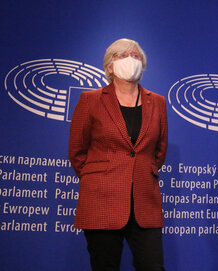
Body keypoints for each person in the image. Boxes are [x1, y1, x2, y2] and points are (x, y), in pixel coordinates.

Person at [68, 38, 168, 271]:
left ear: (142, 64)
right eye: (122, 56)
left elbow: (159, 151)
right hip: (101, 199)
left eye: (135, 55)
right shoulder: (90, 100)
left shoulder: (158, 102)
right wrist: (99, 178)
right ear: (109, 67)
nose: (130, 60)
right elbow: (77, 152)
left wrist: (144, 171)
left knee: (154, 267)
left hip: (145, 201)